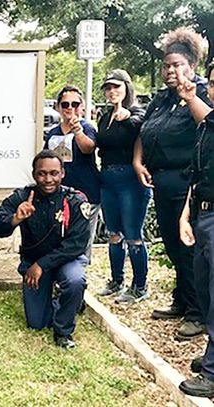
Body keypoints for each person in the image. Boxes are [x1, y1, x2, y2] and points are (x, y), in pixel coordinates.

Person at [133, 28, 211, 340]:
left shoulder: (201, 93)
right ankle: (181, 299)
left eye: (177, 64)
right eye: (167, 65)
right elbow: (144, 131)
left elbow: (207, 123)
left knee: (188, 247)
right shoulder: (161, 99)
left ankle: (197, 313)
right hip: (161, 182)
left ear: (192, 65)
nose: (171, 70)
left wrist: (189, 96)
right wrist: (138, 161)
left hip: (187, 182)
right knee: (171, 244)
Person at [0, 149, 89, 349]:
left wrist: (41, 265)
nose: (48, 179)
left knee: (75, 280)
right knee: (37, 323)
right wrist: (16, 219)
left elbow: (77, 244)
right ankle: (70, 302)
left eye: (54, 173)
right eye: (42, 173)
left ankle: (63, 331)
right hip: (34, 260)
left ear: (62, 173)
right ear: (34, 174)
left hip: (65, 259)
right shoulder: (22, 196)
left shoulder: (75, 200)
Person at [96, 70, 152, 304]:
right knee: (114, 233)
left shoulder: (137, 112)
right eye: (108, 88)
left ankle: (140, 286)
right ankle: (116, 280)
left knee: (132, 234)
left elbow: (139, 124)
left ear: (127, 87)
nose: (112, 92)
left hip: (131, 180)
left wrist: (126, 115)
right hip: (107, 179)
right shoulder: (104, 116)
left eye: (116, 87)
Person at [178, 62, 214, 397]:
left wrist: (191, 98)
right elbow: (197, 174)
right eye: (213, 84)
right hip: (203, 215)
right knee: (205, 292)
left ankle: (213, 373)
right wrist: (185, 215)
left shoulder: (209, 120)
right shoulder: (206, 127)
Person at [45, 85, 100, 261]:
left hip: (86, 194)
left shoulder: (87, 128)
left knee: (82, 240)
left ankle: (79, 278)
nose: (70, 108)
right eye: (65, 104)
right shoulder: (53, 133)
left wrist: (77, 131)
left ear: (82, 106)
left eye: (75, 104)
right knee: (59, 238)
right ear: (58, 107)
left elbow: (88, 148)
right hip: (60, 196)